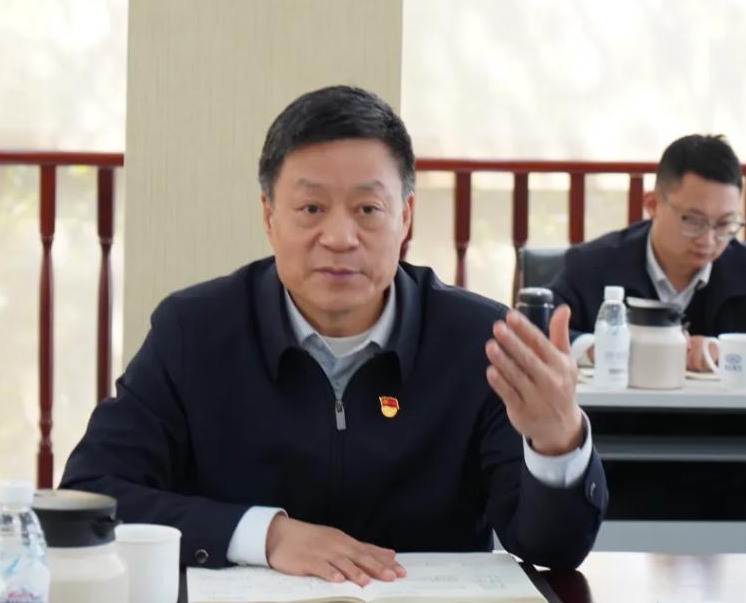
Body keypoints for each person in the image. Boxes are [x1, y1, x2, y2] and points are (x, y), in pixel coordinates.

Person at [61, 85, 607, 582]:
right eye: (311, 208)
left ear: (405, 217)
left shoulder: (479, 344)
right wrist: (266, 536)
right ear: (269, 217)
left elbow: (553, 549)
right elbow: (93, 495)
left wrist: (556, 441)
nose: (340, 236)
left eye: (368, 208)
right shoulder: (194, 332)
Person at [549, 134, 746, 520]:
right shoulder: (592, 265)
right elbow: (536, 332)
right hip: (621, 465)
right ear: (652, 204)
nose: (709, 240)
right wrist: (599, 349)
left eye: (725, 224)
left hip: (745, 467)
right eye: (693, 221)